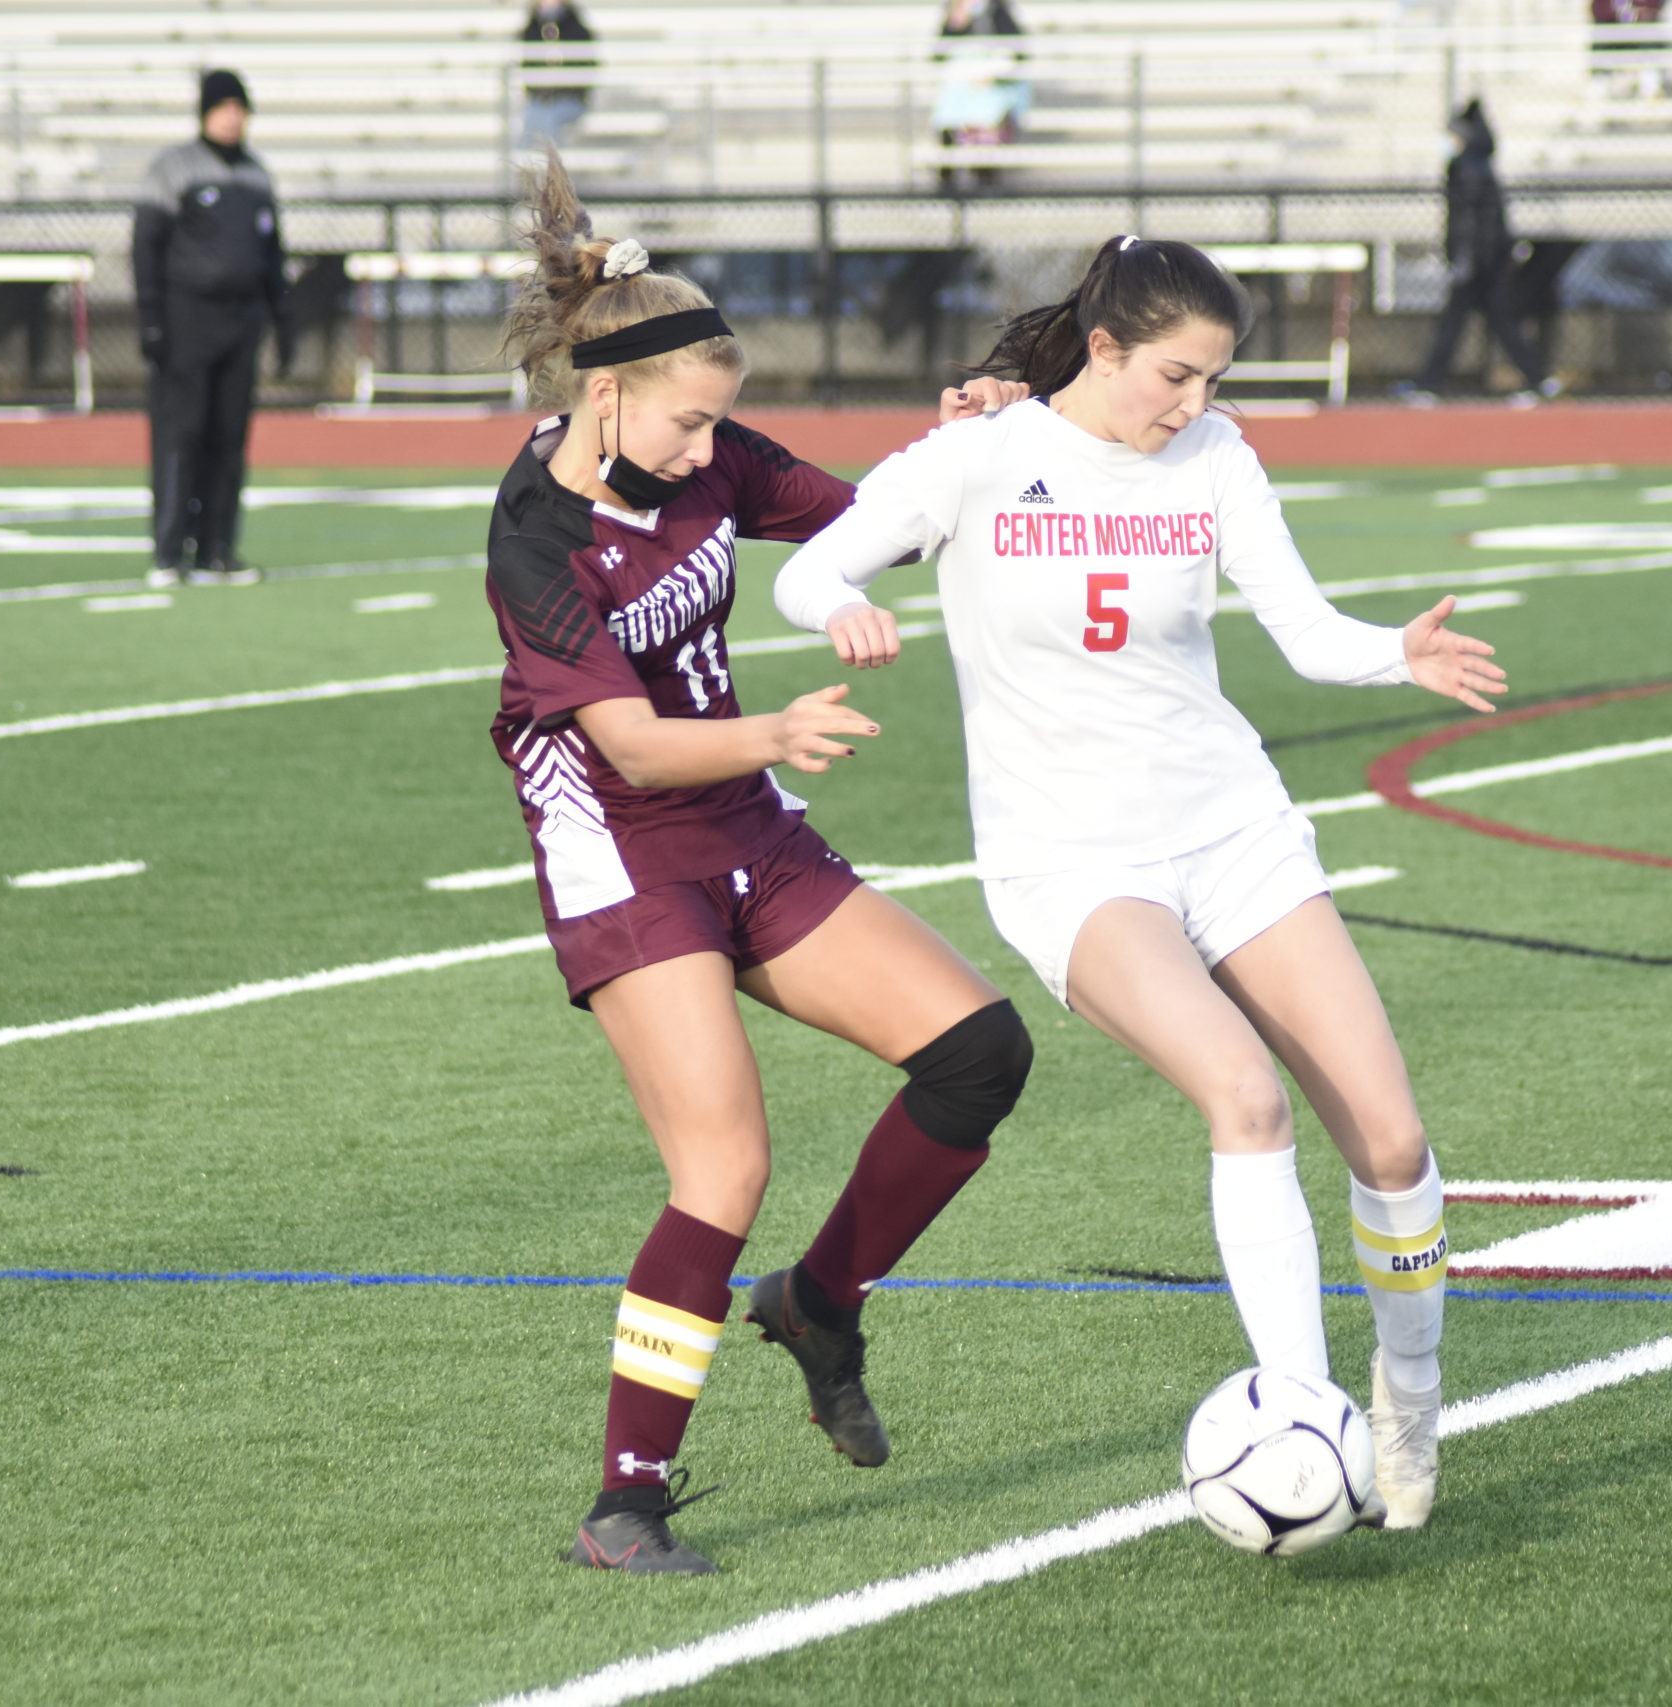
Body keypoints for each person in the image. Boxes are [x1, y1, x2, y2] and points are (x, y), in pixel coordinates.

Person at [773, 236, 1509, 1529]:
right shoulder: (983, 455)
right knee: (1246, 1093)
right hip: (1073, 858)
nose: (1195, 405)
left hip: (1233, 826)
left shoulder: (1216, 458)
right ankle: (1301, 1407)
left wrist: (1398, 651)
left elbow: (1303, 628)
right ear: (1104, 348)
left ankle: (1405, 1390)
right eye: (1176, 375)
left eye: (1217, 379)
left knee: (1391, 1137)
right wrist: (842, 606)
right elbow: (805, 564)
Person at [486, 154, 1035, 1575]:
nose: (707, 449)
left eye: (718, 421)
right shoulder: (537, 534)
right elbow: (637, 748)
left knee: (979, 1051)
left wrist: (973, 440)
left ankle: (823, 1302)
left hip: (743, 821)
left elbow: (873, 521)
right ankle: (627, 1499)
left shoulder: (704, 444)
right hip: (624, 841)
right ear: (602, 393)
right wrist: (777, 724)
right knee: (722, 1162)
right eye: (686, 421)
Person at [132, 69, 294, 587]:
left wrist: (282, 321)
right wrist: (152, 320)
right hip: (187, 321)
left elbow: (272, 257)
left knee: (228, 438)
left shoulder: (256, 174)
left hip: (241, 323)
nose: (232, 117)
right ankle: (169, 552)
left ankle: (217, 549)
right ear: (204, 112)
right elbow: (146, 249)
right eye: (223, 107)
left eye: (239, 108)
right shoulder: (173, 168)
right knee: (182, 436)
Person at [1402, 100, 1561, 409]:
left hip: (1479, 264)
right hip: (1487, 261)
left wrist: (1465, 259)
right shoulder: (1478, 165)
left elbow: (1469, 220)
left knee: (1459, 323)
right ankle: (1538, 378)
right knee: (1495, 322)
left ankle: (1429, 384)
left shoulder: (1467, 168)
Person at [931, 0, 1029, 192]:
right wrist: (955, 23)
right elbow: (938, 55)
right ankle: (947, 175)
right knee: (948, 112)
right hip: (963, 85)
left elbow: (1018, 50)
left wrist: (992, 75)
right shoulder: (955, 12)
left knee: (989, 113)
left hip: (992, 84)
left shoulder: (998, 11)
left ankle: (985, 174)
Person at [517, 0, 599, 153]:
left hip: (569, 100)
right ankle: (529, 173)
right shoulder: (531, 28)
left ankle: (554, 173)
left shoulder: (577, 28)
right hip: (539, 100)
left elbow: (587, 67)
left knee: (550, 122)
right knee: (529, 125)